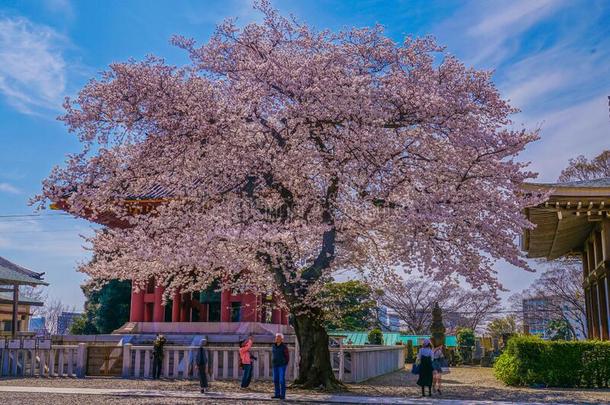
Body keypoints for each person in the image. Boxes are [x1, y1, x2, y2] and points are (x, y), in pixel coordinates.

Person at [271, 333, 289, 400]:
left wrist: (285, 363)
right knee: (275, 380)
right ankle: (277, 394)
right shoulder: (273, 346)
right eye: (276, 337)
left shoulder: (284, 347)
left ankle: (283, 395)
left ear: (281, 339)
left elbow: (287, 356)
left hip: (282, 365)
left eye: (278, 337)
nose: (277, 338)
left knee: (281, 380)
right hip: (275, 365)